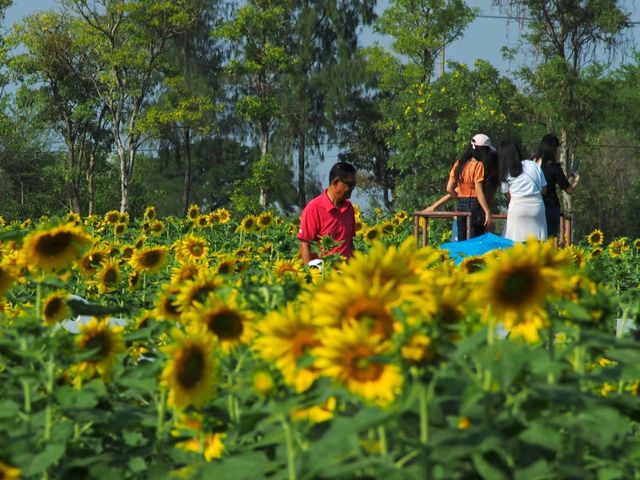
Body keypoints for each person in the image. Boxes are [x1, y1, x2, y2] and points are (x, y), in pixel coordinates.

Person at [417, 134, 495, 241]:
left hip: (461, 207)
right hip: (475, 206)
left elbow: (449, 188)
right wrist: (487, 211)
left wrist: (460, 199)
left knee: (461, 240)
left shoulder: (459, 163)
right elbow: (478, 190)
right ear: (482, 150)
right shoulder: (478, 165)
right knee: (476, 240)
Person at [298, 161, 356, 264]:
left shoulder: (349, 208)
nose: (353, 188)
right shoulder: (314, 208)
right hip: (325, 273)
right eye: (350, 184)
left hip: (346, 273)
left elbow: (349, 242)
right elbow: (304, 244)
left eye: (354, 184)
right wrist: (311, 273)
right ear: (336, 183)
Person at [498, 140, 547, 242]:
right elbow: (544, 189)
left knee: (514, 242)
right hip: (537, 207)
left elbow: (507, 195)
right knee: (538, 242)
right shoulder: (533, 165)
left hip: (517, 208)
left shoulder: (506, 171)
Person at [534, 133, 580, 238]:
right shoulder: (554, 167)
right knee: (549, 239)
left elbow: (563, 182)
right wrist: (576, 180)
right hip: (550, 207)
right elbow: (568, 189)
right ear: (553, 150)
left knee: (535, 238)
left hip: (534, 205)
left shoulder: (532, 162)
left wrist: (570, 177)